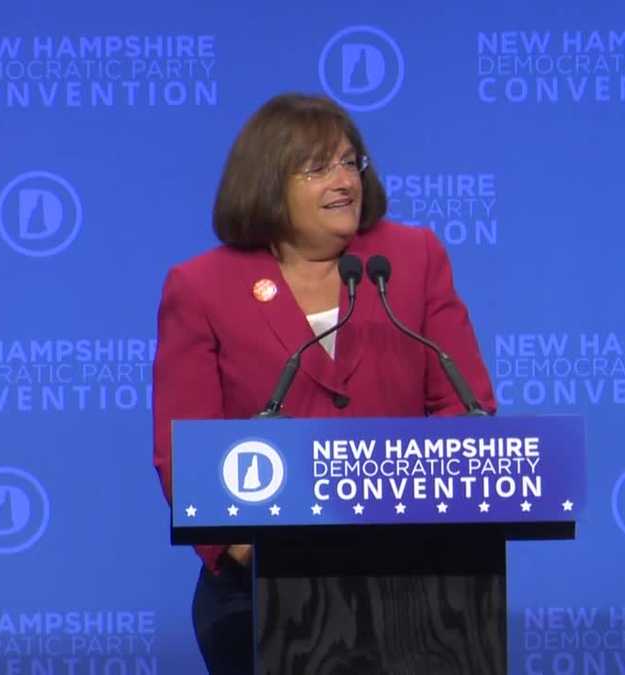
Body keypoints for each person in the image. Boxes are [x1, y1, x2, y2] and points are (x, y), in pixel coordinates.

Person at [151, 93, 496, 674]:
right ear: (265, 182)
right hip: (259, 589)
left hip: (416, 583)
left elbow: (466, 406)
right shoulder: (202, 286)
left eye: (349, 163)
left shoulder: (411, 260)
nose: (343, 181)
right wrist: (250, 551)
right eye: (317, 168)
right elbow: (181, 446)